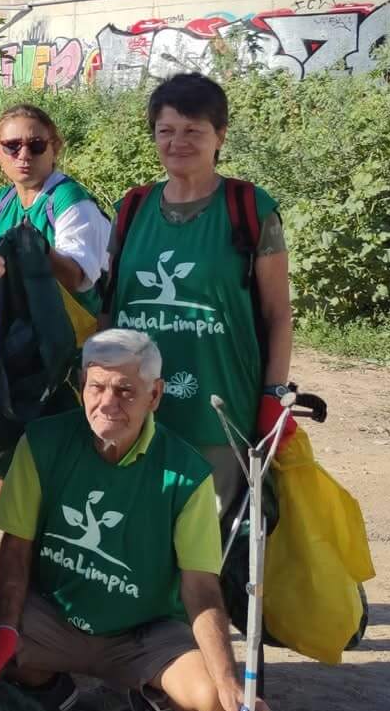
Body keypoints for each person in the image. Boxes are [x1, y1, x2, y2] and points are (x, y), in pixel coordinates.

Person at [0, 329, 271, 711]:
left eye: (125, 391)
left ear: (155, 395)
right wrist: (4, 629)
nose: (108, 403)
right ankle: (50, 684)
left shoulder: (186, 471)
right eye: (96, 386)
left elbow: (200, 586)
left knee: (219, 709)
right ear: (82, 385)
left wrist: (231, 682)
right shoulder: (41, 442)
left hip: (144, 635)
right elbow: (16, 551)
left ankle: (150, 694)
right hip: (55, 618)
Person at [101, 72, 293, 513]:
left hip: (220, 409)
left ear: (220, 135)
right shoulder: (132, 208)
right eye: (166, 131)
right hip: (137, 405)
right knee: (138, 533)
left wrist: (273, 396)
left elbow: (277, 314)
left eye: (193, 131)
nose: (178, 142)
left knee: (210, 545)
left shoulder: (249, 208)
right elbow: (111, 307)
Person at [0, 102, 110, 310]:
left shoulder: (71, 201)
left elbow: (75, 278)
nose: (24, 155)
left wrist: (37, 248)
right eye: (12, 146)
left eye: (36, 145)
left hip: (74, 334)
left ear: (54, 149)